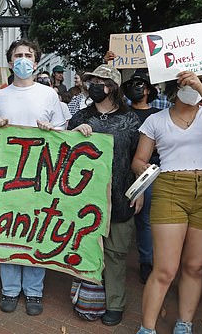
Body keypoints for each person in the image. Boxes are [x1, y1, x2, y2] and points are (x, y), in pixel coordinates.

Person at [132, 72, 202, 334]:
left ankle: (184, 324)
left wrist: (200, 85)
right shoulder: (156, 119)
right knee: (165, 269)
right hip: (169, 188)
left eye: (199, 83)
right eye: (187, 83)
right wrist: (144, 168)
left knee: (194, 266)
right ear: (175, 87)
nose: (192, 87)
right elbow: (138, 160)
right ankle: (147, 328)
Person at [0, 39, 67, 317]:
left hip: (41, 173)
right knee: (7, 230)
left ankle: (33, 291)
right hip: (5, 175)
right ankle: (9, 289)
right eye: (17, 55)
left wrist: (51, 129)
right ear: (10, 63)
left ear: (35, 61)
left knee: (36, 230)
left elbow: (63, 133)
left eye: (27, 55)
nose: (22, 60)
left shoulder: (49, 95)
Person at [68, 65, 143, 326]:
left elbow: (139, 159)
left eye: (101, 82)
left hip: (121, 197)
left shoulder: (131, 119)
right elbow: (64, 153)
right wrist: (75, 136)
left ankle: (115, 302)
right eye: (92, 81)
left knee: (116, 253)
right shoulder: (79, 117)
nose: (95, 86)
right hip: (85, 197)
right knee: (85, 248)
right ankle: (88, 299)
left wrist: (139, 190)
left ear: (113, 87)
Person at [122, 69, 161, 284]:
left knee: (145, 219)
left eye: (140, 84)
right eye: (132, 84)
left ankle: (146, 260)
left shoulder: (157, 115)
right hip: (121, 168)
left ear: (147, 90)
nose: (135, 88)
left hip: (149, 170)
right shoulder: (122, 112)